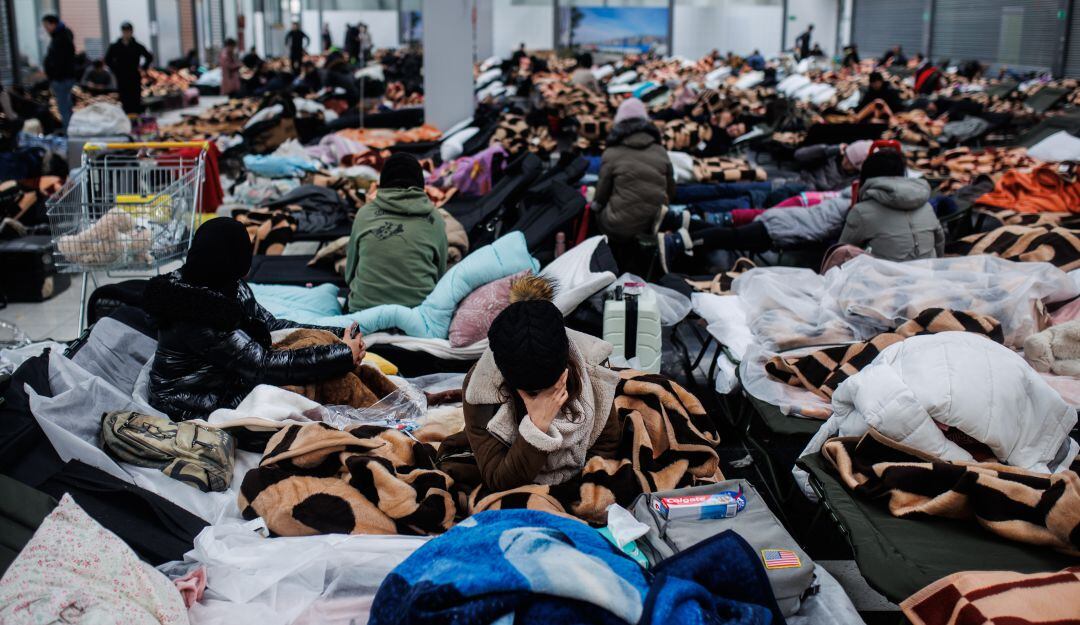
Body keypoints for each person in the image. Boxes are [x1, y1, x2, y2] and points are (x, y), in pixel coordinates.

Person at [144, 218, 367, 421]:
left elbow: (270, 324)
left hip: (222, 380)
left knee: (316, 366)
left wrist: (337, 336)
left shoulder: (226, 283)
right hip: (190, 402)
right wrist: (344, 355)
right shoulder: (198, 311)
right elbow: (262, 366)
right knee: (304, 391)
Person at [457, 275, 622, 491]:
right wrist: (537, 426)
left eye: (550, 388)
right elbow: (498, 480)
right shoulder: (481, 389)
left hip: (576, 481)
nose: (543, 395)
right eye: (532, 392)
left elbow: (606, 445)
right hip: (521, 481)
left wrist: (574, 488)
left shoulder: (592, 364)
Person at [345, 153, 448, 312]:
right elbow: (440, 275)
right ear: (421, 183)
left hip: (364, 312)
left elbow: (349, 274)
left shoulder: (364, 214)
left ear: (382, 182)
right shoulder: (436, 219)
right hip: (417, 312)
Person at [593, 98, 675, 242]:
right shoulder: (660, 150)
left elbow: (601, 196)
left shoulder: (611, 153)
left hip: (617, 226)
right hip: (655, 223)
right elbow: (671, 190)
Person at [839, 148, 943, 261]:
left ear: (866, 176)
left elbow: (840, 254)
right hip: (927, 274)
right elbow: (940, 243)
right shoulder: (926, 205)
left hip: (886, 277)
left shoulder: (861, 212)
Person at [105, 22, 153, 114]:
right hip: (121, 76)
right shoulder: (115, 46)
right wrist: (115, 70)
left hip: (134, 75)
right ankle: (127, 118)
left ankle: (136, 119)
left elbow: (149, 57)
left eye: (128, 31)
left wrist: (144, 67)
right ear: (122, 32)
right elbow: (108, 60)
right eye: (125, 31)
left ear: (131, 32)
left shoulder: (137, 46)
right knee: (124, 98)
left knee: (135, 98)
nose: (126, 33)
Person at [794, 139, 872, 192]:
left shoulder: (855, 180)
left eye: (851, 163)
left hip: (816, 199)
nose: (846, 162)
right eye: (847, 156)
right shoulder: (832, 154)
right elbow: (799, 155)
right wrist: (829, 150)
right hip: (800, 182)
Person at [41, 15, 75, 130]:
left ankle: (68, 133)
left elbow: (59, 61)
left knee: (64, 108)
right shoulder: (62, 36)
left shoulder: (61, 38)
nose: (46, 29)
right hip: (64, 78)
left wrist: (54, 75)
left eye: (46, 26)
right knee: (67, 107)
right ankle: (69, 130)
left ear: (53, 24)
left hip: (61, 79)